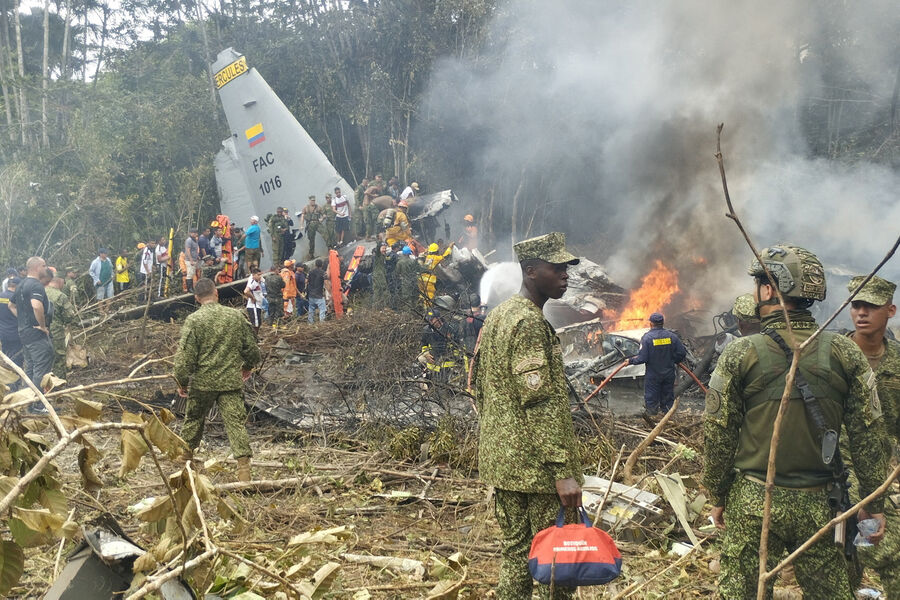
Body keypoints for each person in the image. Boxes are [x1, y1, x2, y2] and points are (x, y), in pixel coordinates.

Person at [702, 244, 889, 599]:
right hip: (822, 504)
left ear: (769, 290)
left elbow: (718, 434)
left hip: (755, 503)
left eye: (758, 284)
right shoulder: (844, 351)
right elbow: (869, 435)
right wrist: (873, 503)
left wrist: (718, 492)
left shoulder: (741, 352)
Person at [472, 232, 583, 600]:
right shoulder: (529, 324)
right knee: (556, 564)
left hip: (505, 466)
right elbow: (540, 404)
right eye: (557, 267)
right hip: (538, 474)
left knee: (517, 554)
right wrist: (562, 472)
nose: (565, 275)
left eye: (566, 268)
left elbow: (478, 385)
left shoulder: (500, 315)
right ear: (532, 271)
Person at [841, 275, 900, 595]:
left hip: (882, 472)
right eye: (856, 306)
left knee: (875, 553)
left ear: (890, 310)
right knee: (861, 554)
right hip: (835, 467)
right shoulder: (834, 355)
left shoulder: (898, 362)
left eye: (871, 306)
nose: (861, 313)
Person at [174, 278, 261, 482]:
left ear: (197, 298)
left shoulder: (194, 320)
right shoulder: (235, 316)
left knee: (194, 418)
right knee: (235, 423)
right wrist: (247, 367)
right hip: (230, 382)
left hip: (203, 383)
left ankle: (185, 456)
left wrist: (181, 381)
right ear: (216, 293)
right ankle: (244, 469)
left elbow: (185, 357)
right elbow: (252, 349)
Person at [9, 257, 54, 411]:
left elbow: (11, 305)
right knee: (41, 368)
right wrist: (42, 325)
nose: (46, 268)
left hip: (24, 333)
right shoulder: (35, 285)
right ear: (36, 267)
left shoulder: (21, 284)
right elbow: (36, 306)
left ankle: (28, 402)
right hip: (36, 334)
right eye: (44, 265)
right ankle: (38, 404)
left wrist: (24, 321)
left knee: (30, 368)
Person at [627, 312, 687, 415]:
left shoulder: (647, 338)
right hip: (668, 373)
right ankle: (667, 418)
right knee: (667, 398)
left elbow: (642, 358)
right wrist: (673, 360)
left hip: (653, 375)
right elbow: (682, 353)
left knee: (651, 398)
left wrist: (630, 361)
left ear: (651, 323)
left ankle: (652, 418)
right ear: (663, 323)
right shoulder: (672, 336)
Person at [45, 277, 74, 378]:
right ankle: (59, 381)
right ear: (60, 281)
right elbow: (69, 315)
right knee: (59, 356)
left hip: (39, 330)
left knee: (42, 357)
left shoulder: (40, 292)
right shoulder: (60, 296)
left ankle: (42, 381)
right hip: (56, 330)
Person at [0, 277, 23, 384]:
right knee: (16, 360)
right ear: (17, 286)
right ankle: (14, 384)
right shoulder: (17, 297)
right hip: (15, 333)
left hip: (3, 333)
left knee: (6, 357)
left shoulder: (1, 296)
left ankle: (6, 381)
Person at [307, 259, 327, 323]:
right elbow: (326, 281)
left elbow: (307, 281)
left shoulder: (310, 272)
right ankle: (322, 322)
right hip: (319, 294)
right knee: (322, 309)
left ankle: (310, 322)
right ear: (322, 265)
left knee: (311, 309)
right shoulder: (323, 272)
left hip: (311, 294)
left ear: (315, 264)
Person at [184, 228, 200, 293]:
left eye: (196, 233)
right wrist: (191, 260)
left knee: (193, 273)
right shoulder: (189, 240)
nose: (195, 234)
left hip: (194, 259)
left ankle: (191, 288)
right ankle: (189, 289)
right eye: (193, 233)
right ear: (190, 233)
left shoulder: (195, 240)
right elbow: (188, 250)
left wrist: (197, 256)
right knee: (190, 274)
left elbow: (195, 250)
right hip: (189, 260)